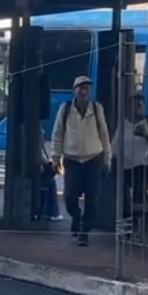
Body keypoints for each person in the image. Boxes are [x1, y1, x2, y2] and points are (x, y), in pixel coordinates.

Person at [51, 75, 112, 245]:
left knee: (92, 198)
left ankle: (84, 231)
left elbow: (104, 135)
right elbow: (57, 134)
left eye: (87, 88)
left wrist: (107, 158)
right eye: (81, 88)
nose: (84, 91)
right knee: (70, 197)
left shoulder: (97, 108)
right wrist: (55, 158)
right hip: (71, 160)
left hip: (93, 158)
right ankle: (76, 218)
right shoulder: (65, 109)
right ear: (74, 90)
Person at [112, 93, 148, 232]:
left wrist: (145, 135)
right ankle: (127, 222)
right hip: (126, 166)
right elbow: (116, 146)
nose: (137, 109)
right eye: (134, 106)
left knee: (138, 192)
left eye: (140, 106)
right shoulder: (123, 124)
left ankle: (136, 222)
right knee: (124, 195)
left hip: (145, 164)